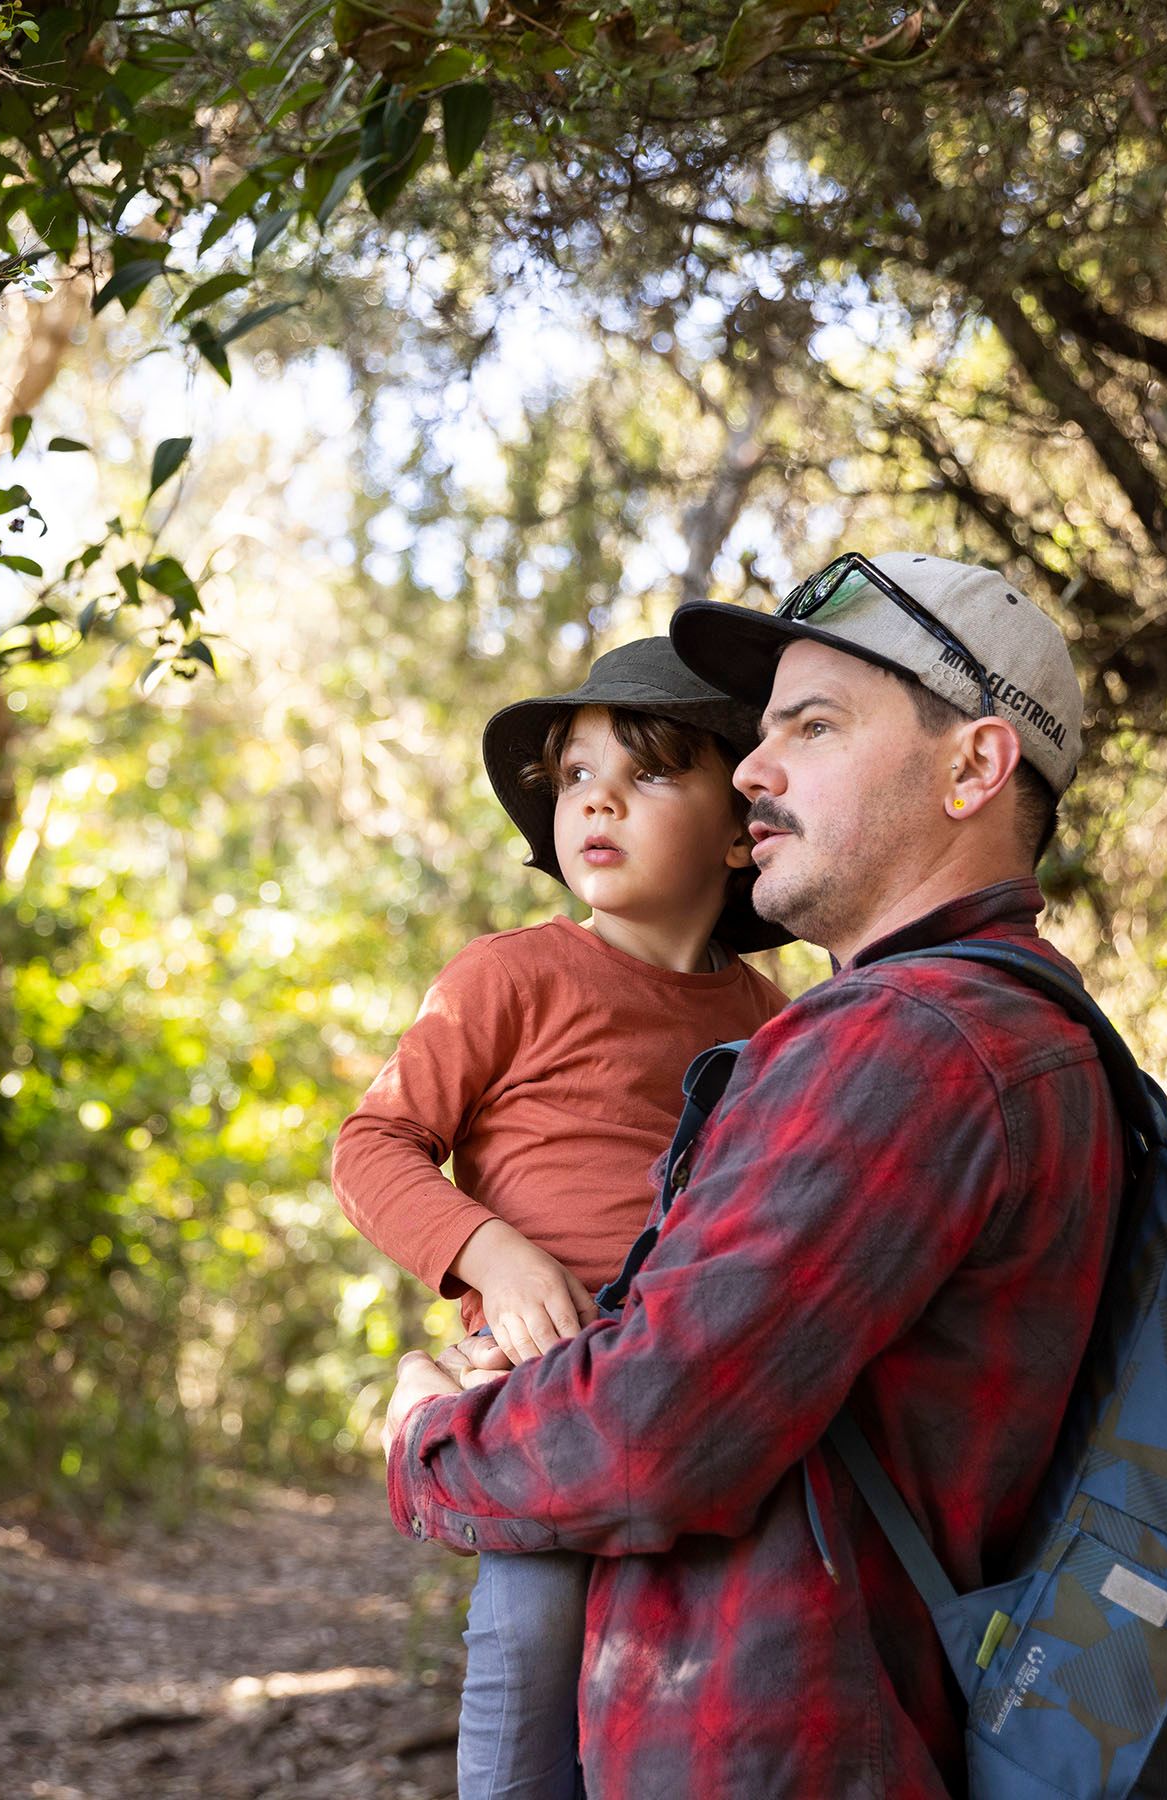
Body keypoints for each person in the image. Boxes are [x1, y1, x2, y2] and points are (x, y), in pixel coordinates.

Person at [382, 552, 1126, 1799]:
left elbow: (650, 1436)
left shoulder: (912, 1046)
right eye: (760, 732)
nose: (757, 768)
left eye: (813, 725)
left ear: (975, 766)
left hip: (770, 1740)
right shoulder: (992, 1032)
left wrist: (425, 1439)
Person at [333, 637, 791, 1800]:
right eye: (578, 775)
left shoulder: (771, 1024)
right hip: (537, 1394)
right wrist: (491, 1249)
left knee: (687, 1677)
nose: (597, 797)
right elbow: (370, 1146)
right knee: (534, 1629)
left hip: (681, 1399)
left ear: (740, 830)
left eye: (648, 775)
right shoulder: (510, 977)